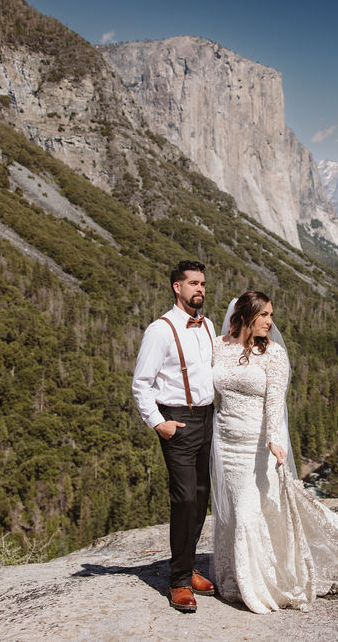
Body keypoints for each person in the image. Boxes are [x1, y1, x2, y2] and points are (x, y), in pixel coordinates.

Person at [211, 291, 338, 614]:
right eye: (263, 315)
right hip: (225, 442)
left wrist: (273, 439)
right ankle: (236, 577)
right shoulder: (218, 347)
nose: (270, 321)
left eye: (271, 315)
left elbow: (274, 402)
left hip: (256, 448)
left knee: (249, 511)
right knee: (238, 513)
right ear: (245, 317)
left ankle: (260, 585)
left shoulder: (274, 355)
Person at [132, 261, 218, 612]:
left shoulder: (209, 325)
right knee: (183, 499)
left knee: (200, 497)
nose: (200, 288)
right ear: (176, 287)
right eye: (193, 283)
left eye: (202, 284)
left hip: (208, 419)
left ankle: (190, 564)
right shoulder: (160, 330)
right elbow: (141, 384)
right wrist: (158, 422)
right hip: (178, 422)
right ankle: (179, 581)